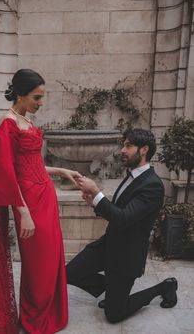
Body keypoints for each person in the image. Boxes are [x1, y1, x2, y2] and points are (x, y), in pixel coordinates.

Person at [0, 69, 81, 334]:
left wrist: (61, 171)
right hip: (29, 203)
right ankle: (35, 319)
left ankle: (51, 314)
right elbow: (5, 172)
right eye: (36, 97)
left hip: (45, 197)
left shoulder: (27, 122)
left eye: (42, 97)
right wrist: (23, 212)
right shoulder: (8, 124)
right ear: (20, 95)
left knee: (52, 258)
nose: (40, 102)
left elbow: (32, 164)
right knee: (38, 264)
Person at [67, 128, 178, 323]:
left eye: (128, 145)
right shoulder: (132, 175)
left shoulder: (153, 185)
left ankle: (164, 286)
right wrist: (93, 200)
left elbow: (124, 218)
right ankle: (113, 291)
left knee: (114, 315)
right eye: (123, 145)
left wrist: (97, 192)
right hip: (109, 243)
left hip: (127, 255)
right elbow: (118, 211)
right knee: (69, 273)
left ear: (144, 150)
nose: (122, 150)